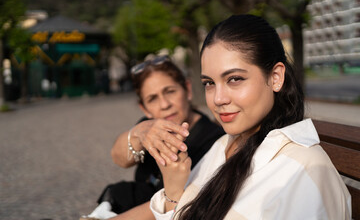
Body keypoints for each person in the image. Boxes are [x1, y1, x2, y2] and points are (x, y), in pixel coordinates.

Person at [150, 15, 352, 220]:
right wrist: (173, 191)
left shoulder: (306, 171)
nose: (218, 99)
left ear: (275, 78)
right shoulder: (223, 146)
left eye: (235, 79)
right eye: (209, 83)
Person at [82, 55, 225, 220]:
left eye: (170, 91)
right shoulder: (149, 126)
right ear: (144, 108)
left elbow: (186, 201)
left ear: (187, 89)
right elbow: (119, 158)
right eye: (152, 99)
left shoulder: (214, 139)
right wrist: (137, 133)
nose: (164, 104)